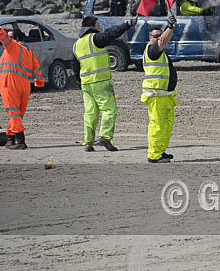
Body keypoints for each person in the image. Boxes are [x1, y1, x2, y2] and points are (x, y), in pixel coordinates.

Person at [73, 15, 136, 152]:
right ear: (92, 26)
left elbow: (75, 67)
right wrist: (127, 24)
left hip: (86, 84)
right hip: (100, 81)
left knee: (90, 113)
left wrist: (79, 82)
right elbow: (111, 34)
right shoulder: (95, 39)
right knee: (109, 110)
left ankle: (88, 142)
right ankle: (105, 137)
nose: (99, 27)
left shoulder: (76, 44)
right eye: (97, 24)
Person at [0, 12, 44, 150]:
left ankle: (20, 141)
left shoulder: (12, 46)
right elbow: (37, 70)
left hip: (10, 83)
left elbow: (2, 35)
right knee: (16, 113)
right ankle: (10, 138)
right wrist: (39, 84)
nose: (8, 39)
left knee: (13, 112)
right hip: (24, 86)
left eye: (11, 36)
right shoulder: (29, 52)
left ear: (16, 39)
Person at [142, 14, 178, 164]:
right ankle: (154, 155)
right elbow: (163, 41)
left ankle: (161, 151)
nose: (158, 38)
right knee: (157, 125)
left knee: (166, 124)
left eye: (159, 35)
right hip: (156, 95)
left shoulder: (160, 52)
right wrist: (170, 27)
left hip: (164, 95)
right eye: (155, 36)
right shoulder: (152, 50)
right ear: (150, 38)